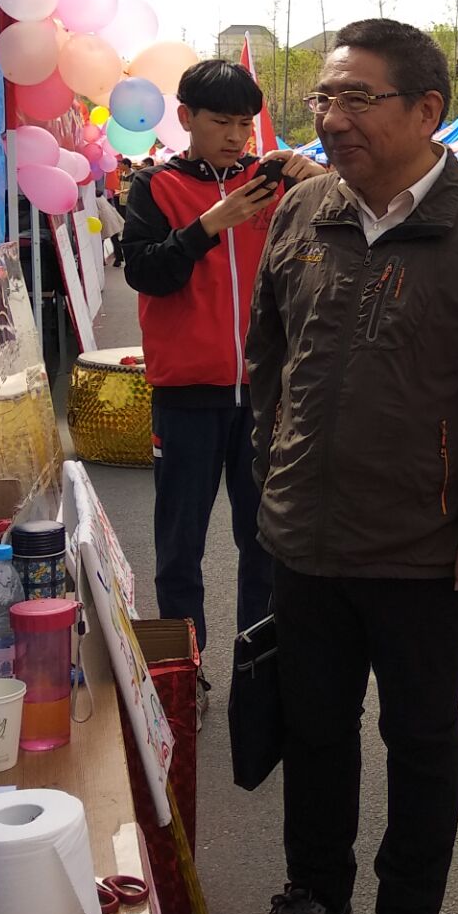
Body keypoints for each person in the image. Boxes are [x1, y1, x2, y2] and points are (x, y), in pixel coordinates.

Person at [231, 19, 458, 914]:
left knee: (421, 739)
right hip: (305, 539)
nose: (332, 117)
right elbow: (268, 361)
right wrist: (273, 472)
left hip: (425, 548)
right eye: (325, 98)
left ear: (425, 111)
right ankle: (316, 896)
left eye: (357, 98)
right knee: (314, 730)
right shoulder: (303, 211)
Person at [120, 59, 316, 658]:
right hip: (185, 398)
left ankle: (259, 667)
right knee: (180, 545)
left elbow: (348, 223)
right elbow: (145, 273)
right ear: (186, 118)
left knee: (264, 542)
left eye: (244, 124)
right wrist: (207, 226)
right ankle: (186, 669)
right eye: (220, 122)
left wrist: (317, 177)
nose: (235, 136)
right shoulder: (156, 186)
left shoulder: (272, 183)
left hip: (264, 397)